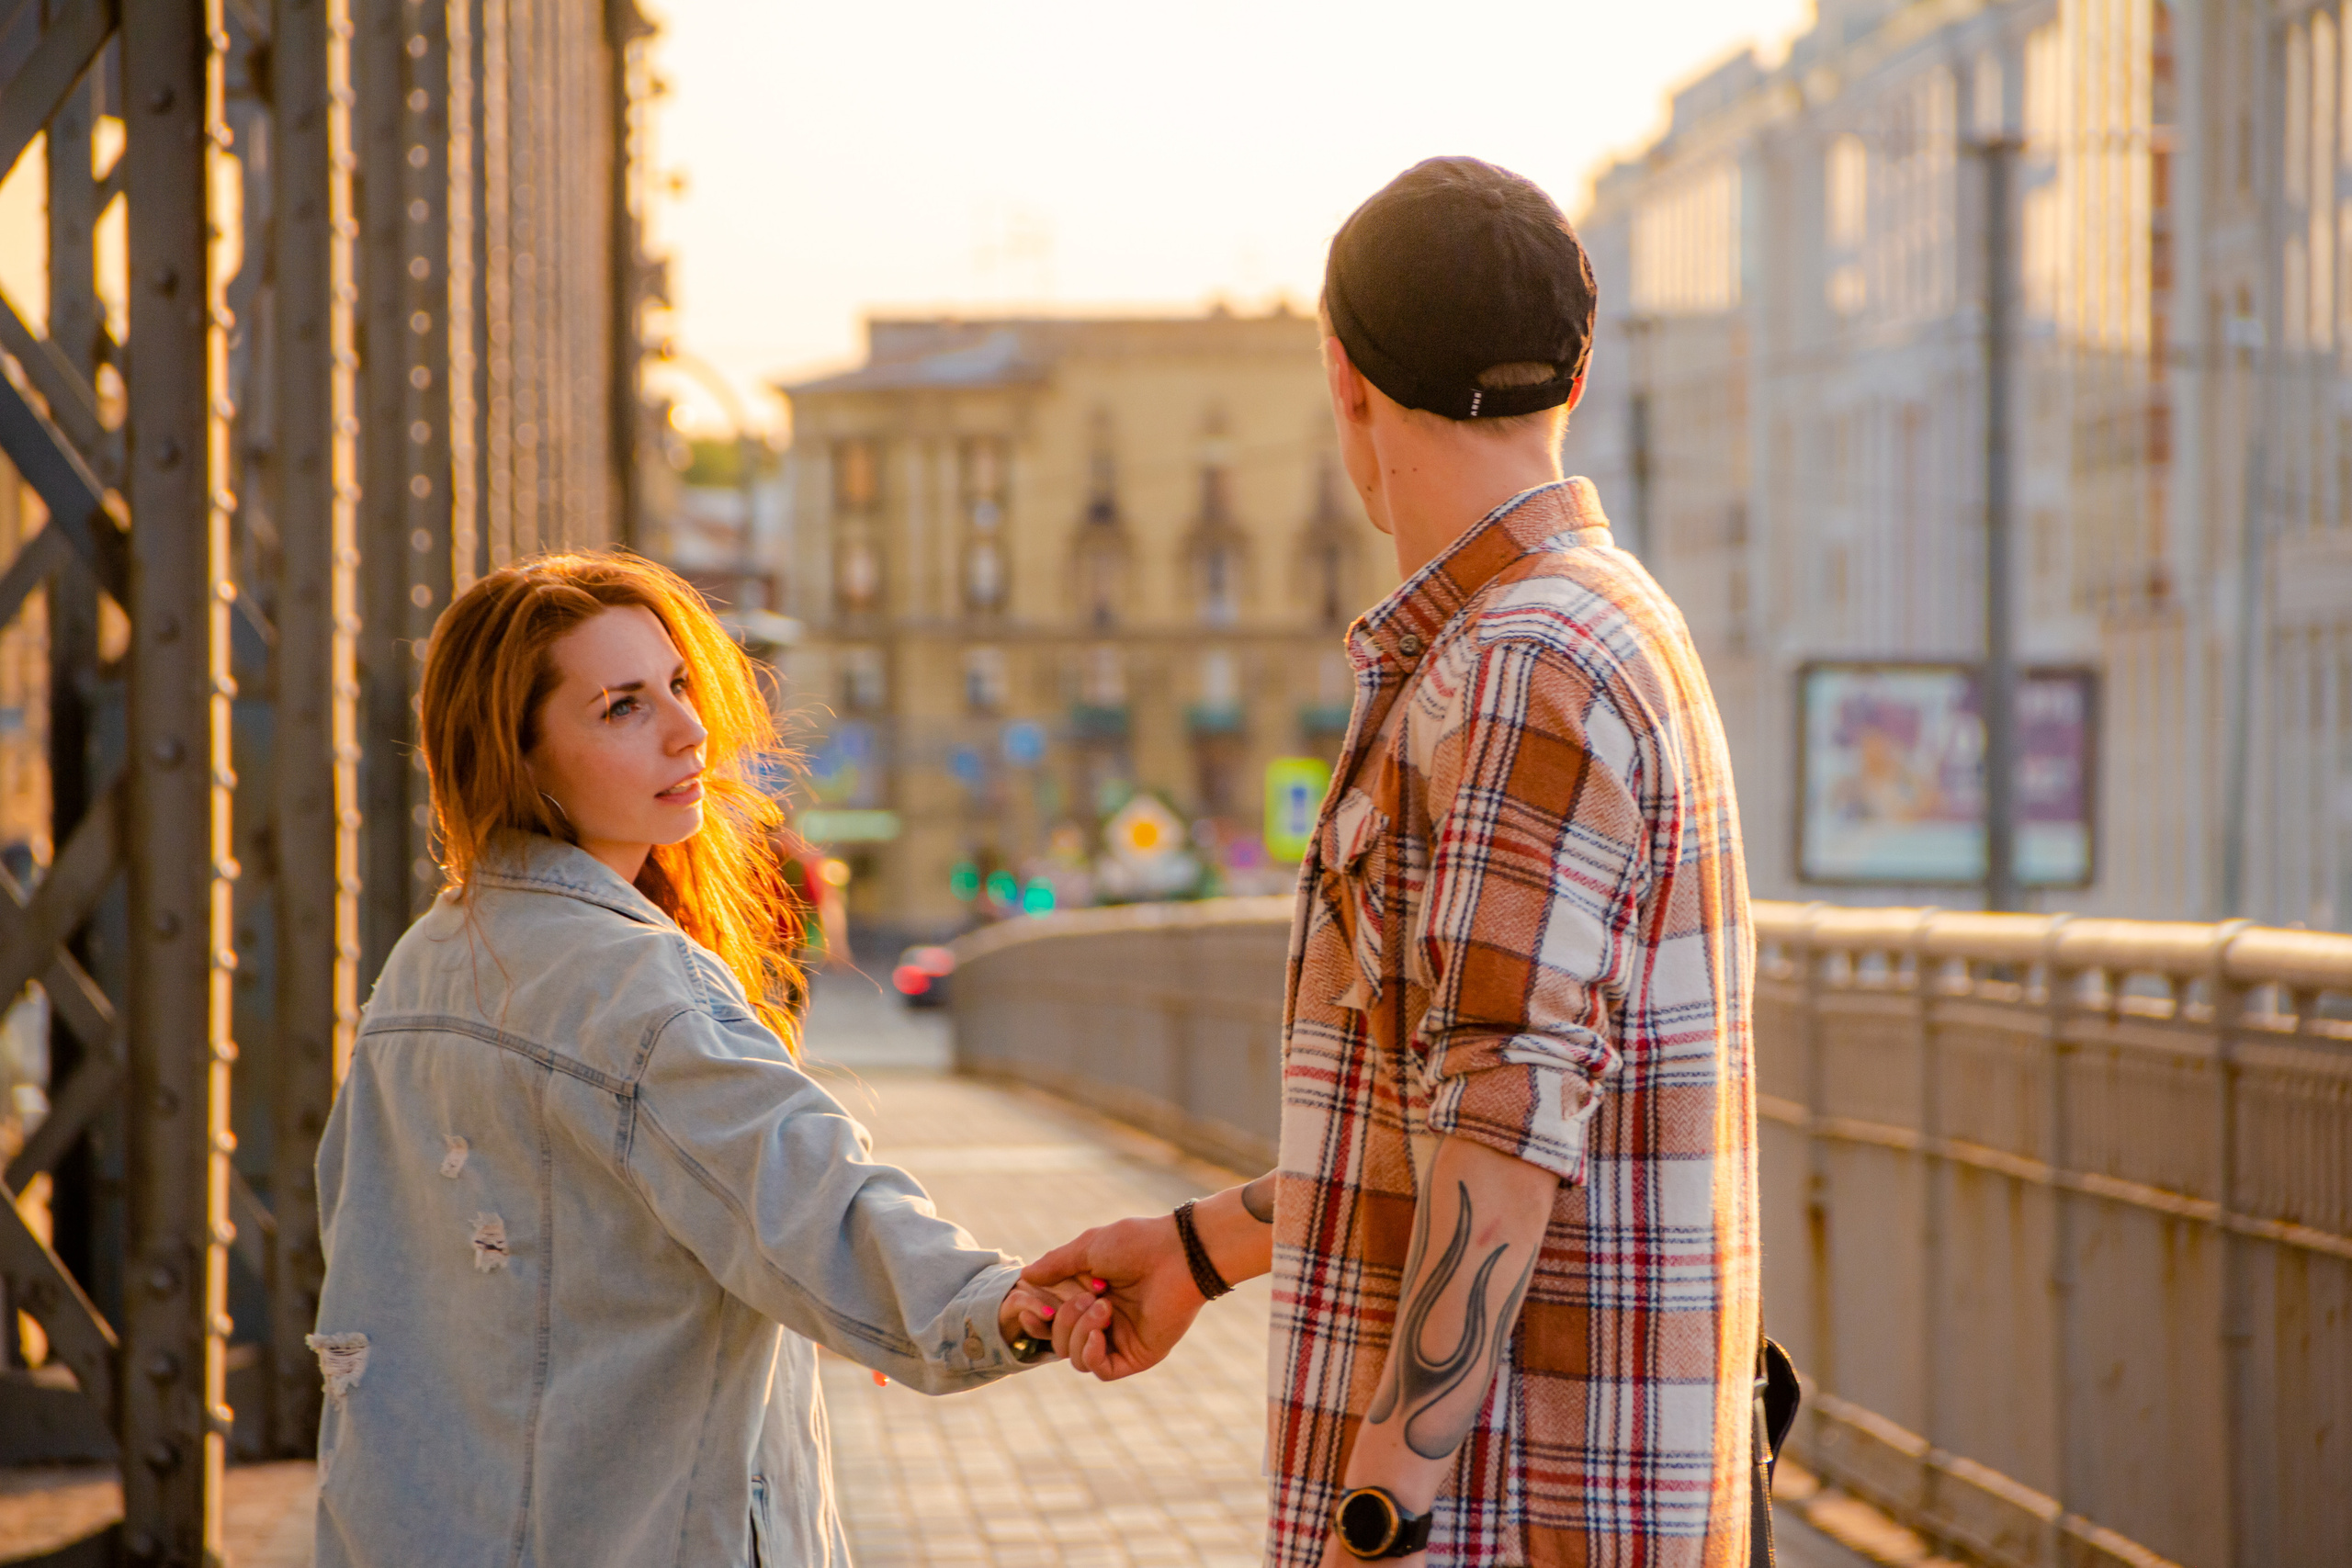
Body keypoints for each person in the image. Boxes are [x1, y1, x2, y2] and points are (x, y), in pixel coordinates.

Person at [1027, 157, 1759, 1566]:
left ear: (1344, 375)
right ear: (1577, 373)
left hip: (1497, 1518)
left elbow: (1504, 1117)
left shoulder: (1517, 664)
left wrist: (1381, 1510)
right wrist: (1198, 1247)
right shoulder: (1605, 624)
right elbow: (1458, 1104)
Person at [307, 554, 1103, 1565]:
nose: (689, 729)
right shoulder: (632, 984)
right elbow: (811, 1202)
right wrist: (1012, 1305)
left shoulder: (422, 966)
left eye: (678, 684)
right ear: (520, 757)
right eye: (623, 706)